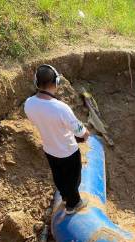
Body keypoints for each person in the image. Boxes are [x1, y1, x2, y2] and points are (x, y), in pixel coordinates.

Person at [24, 64, 89, 214]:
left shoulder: (29, 104)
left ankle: (65, 196)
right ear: (56, 82)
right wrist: (86, 134)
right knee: (74, 178)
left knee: (59, 176)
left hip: (50, 150)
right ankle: (74, 204)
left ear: (36, 82)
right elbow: (78, 130)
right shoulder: (60, 108)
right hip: (68, 151)